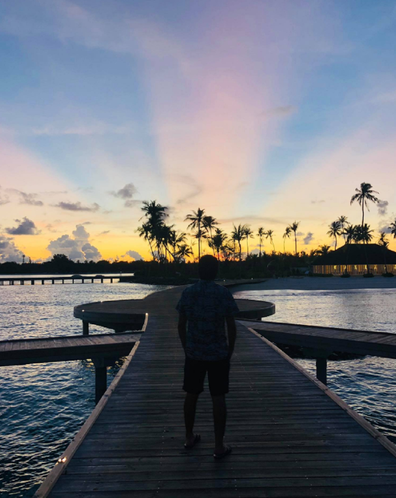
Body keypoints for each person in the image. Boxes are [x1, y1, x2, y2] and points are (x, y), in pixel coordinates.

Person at [176, 255, 239, 459]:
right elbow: (231, 325)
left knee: (191, 394)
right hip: (218, 353)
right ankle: (219, 445)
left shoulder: (188, 292)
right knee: (218, 397)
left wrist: (187, 347)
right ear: (216, 272)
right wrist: (230, 350)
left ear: (198, 271)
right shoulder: (222, 294)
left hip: (194, 352)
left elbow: (181, 324)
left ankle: (188, 437)